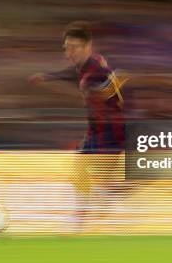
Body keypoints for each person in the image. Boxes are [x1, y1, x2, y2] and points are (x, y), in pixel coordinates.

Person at [29, 21, 128, 227]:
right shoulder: (85, 66)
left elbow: (110, 83)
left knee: (98, 180)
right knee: (85, 172)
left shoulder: (97, 69)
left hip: (110, 133)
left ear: (87, 46)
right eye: (67, 48)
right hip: (97, 130)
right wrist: (48, 77)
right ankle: (82, 215)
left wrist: (110, 87)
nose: (69, 53)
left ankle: (82, 216)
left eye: (74, 48)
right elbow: (72, 73)